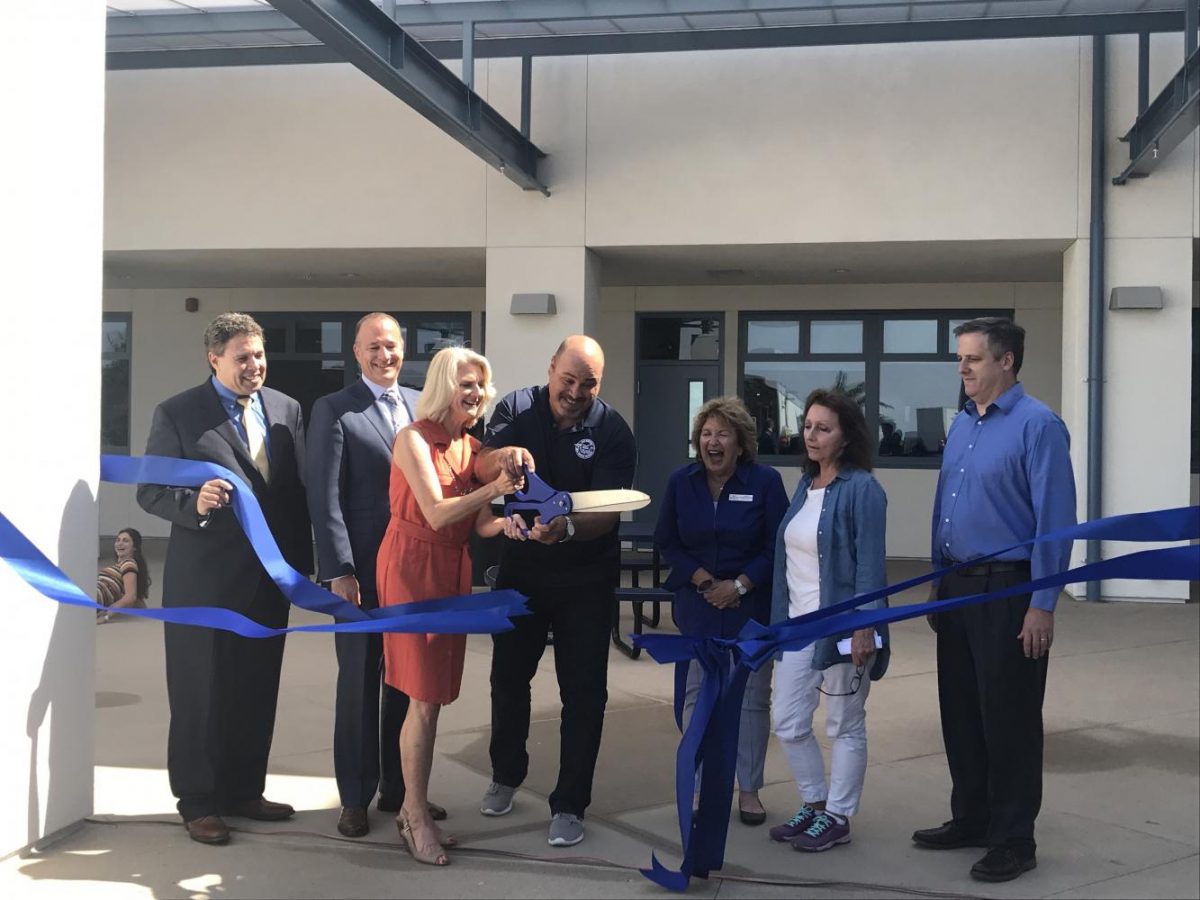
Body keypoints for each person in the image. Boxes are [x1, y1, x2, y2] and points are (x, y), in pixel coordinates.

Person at [137, 312, 312, 847]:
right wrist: (196, 503)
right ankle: (198, 802)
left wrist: (304, 566)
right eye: (243, 357)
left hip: (266, 583)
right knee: (200, 696)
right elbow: (150, 491)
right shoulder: (178, 413)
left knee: (255, 690)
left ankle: (243, 791)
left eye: (259, 355)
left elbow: (293, 492)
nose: (254, 366)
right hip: (204, 587)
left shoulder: (286, 410)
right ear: (214, 359)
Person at [914, 317, 1075, 883]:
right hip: (957, 588)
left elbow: (1056, 523)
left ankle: (1013, 839)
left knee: (1008, 717)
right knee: (960, 711)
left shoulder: (1039, 427)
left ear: (1006, 362)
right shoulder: (963, 425)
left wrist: (1043, 604)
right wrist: (938, 579)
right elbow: (944, 506)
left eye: (973, 359)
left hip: (1009, 591)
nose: (962, 369)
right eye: (960, 360)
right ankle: (973, 817)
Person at [474, 335, 636, 848]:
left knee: (583, 694)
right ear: (551, 369)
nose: (575, 391)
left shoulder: (612, 430)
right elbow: (479, 462)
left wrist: (565, 529)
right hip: (522, 570)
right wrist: (503, 456)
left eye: (587, 383)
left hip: (586, 577)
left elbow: (608, 514)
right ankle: (506, 774)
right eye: (567, 379)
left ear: (599, 384)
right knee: (508, 678)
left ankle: (570, 803)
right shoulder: (515, 409)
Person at [376, 347, 521, 866]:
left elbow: (477, 524)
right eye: (467, 384)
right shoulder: (411, 439)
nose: (476, 394)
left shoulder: (470, 445)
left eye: (481, 385)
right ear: (443, 386)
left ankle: (411, 804)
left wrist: (510, 521)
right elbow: (437, 513)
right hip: (411, 570)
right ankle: (413, 815)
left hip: (450, 568)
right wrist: (496, 489)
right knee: (421, 697)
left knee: (433, 696)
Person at [307, 312, 439, 839]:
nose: (384, 356)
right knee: (360, 681)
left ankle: (401, 790)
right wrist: (338, 570)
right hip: (360, 575)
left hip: (412, 572)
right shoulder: (334, 410)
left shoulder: (419, 406)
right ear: (356, 353)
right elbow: (325, 497)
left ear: (403, 350)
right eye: (373, 348)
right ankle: (355, 797)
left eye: (392, 346)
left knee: (407, 683)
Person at [654, 396, 787, 826]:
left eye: (722, 434)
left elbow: (776, 547)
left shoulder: (764, 482)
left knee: (750, 700)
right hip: (699, 606)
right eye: (706, 434)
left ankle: (748, 790)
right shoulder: (681, 481)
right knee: (697, 697)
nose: (713, 442)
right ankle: (697, 787)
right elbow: (667, 542)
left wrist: (741, 585)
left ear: (740, 442)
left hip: (750, 609)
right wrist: (704, 581)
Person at [767, 388, 889, 853]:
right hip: (797, 627)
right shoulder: (805, 485)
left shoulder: (864, 490)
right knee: (790, 721)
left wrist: (865, 626)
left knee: (844, 724)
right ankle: (814, 804)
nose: (812, 435)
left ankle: (838, 815)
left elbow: (869, 567)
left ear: (845, 436)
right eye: (808, 426)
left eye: (824, 428)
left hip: (842, 631)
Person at [95, 527, 151, 623]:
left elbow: (130, 597)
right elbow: (137, 601)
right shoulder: (123, 566)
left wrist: (106, 616)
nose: (120, 543)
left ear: (134, 547)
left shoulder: (128, 563)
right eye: (118, 540)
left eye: (125, 541)